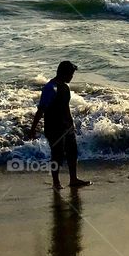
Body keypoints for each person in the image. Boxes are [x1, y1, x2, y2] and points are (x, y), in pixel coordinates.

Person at [28, 61, 91, 189]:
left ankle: (73, 179)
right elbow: (41, 110)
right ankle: (56, 182)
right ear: (64, 73)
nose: (72, 77)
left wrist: (71, 124)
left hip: (66, 126)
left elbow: (65, 108)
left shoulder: (65, 87)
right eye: (71, 74)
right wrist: (33, 129)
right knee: (57, 154)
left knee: (72, 152)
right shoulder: (50, 88)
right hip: (54, 127)